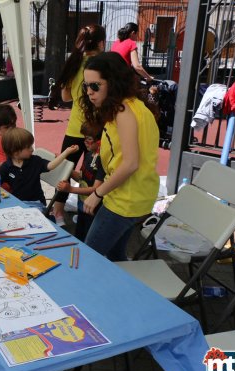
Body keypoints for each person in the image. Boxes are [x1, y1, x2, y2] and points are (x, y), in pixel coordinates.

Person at [80, 52, 159, 261]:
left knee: (88, 257)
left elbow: (131, 163)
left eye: (95, 86)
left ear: (113, 83)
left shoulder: (123, 111)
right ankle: (123, 291)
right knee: (116, 256)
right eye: (85, 86)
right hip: (134, 194)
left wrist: (97, 193)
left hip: (125, 198)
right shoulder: (132, 105)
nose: (89, 92)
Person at [53, 24, 106, 225]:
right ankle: (89, 211)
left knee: (65, 171)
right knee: (96, 175)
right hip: (98, 130)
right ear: (101, 43)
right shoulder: (103, 65)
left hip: (75, 128)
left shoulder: (74, 63)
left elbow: (65, 96)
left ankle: (58, 213)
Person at [0, 127, 79, 212]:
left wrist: (66, 152)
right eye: (28, 147)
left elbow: (51, 166)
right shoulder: (6, 167)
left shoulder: (35, 161)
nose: (32, 149)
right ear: (15, 152)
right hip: (18, 203)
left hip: (37, 203)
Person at [56, 121, 105, 241]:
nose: (84, 142)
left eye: (88, 139)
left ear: (100, 141)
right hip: (82, 205)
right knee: (79, 234)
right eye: (84, 138)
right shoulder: (89, 156)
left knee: (89, 239)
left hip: (93, 208)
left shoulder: (101, 161)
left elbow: (95, 189)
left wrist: (70, 189)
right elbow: (82, 178)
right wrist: (65, 165)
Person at [0, 103, 17, 169]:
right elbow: (3, 168)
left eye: (13, 125)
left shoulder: (21, 137)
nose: (11, 129)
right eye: (7, 127)